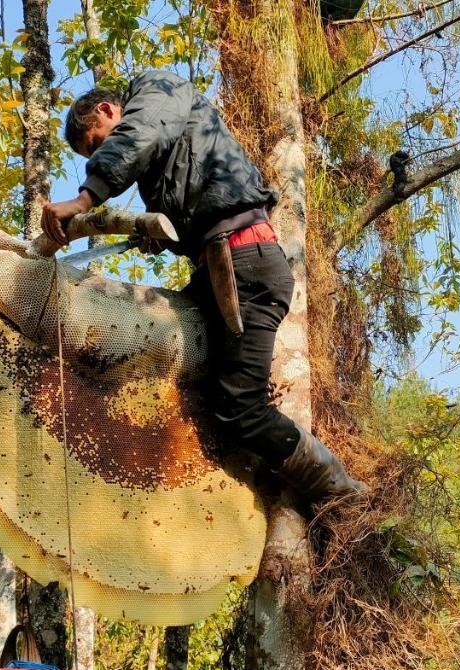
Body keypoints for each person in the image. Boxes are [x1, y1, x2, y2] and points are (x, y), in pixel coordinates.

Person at [41, 70, 366, 503]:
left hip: (244, 263)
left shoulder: (156, 89)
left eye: (98, 142)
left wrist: (84, 199)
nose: (103, 150)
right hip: (218, 267)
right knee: (182, 381)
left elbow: (141, 134)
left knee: (239, 408)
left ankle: (341, 493)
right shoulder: (173, 149)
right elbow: (192, 193)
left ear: (106, 109)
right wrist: (159, 233)